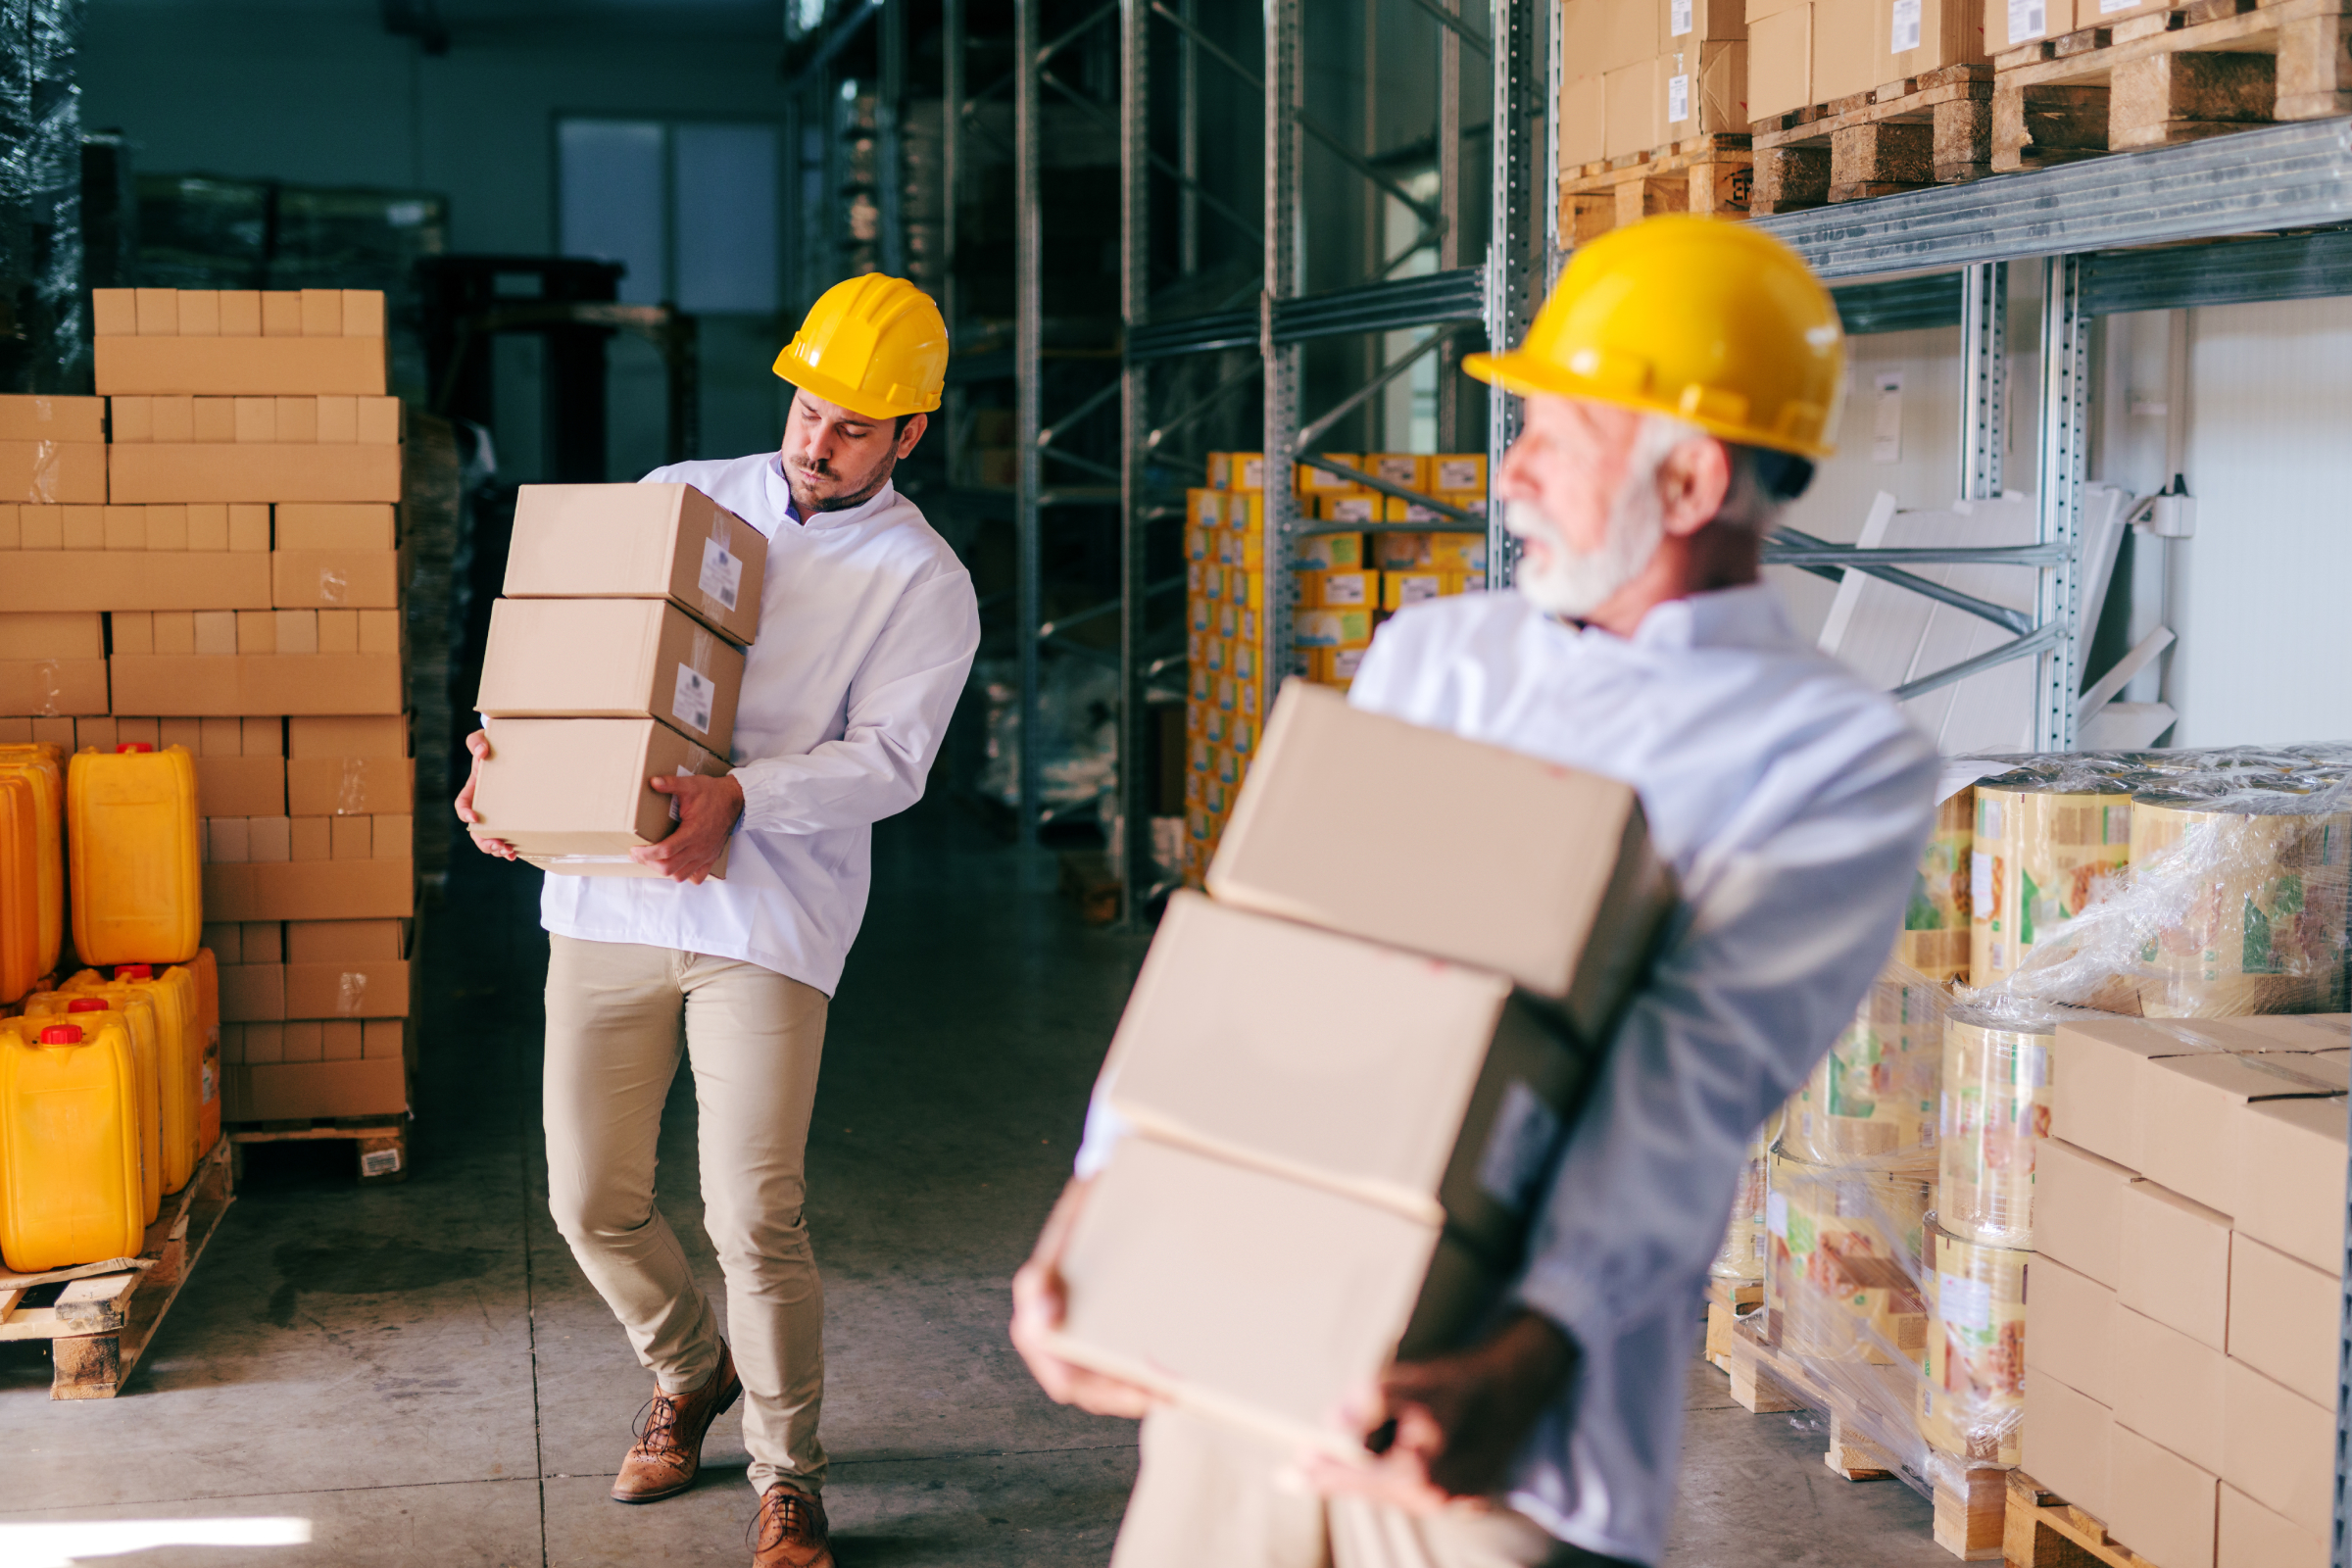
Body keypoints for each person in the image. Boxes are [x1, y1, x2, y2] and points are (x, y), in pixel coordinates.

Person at [1008, 216, 1940, 1567]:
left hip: (1488, 1432)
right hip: (1235, 1340)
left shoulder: (1830, 754)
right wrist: (1100, 1203)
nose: (1511, 474)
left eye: (1557, 436)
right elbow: (1270, 955)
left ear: (1689, 481)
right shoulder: (1438, 658)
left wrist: (1525, 1350)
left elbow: (1680, 1093)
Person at [458, 273, 981, 1568]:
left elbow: (893, 764)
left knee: (755, 1215)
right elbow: (570, 658)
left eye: (857, 425)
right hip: (607, 895)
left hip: (768, 918)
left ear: (912, 433)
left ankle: (787, 1473)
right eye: (810, 408)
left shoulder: (923, 581)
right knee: (591, 1200)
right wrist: (505, 765)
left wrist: (741, 795)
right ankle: (690, 1372)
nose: (819, 439)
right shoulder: (675, 499)